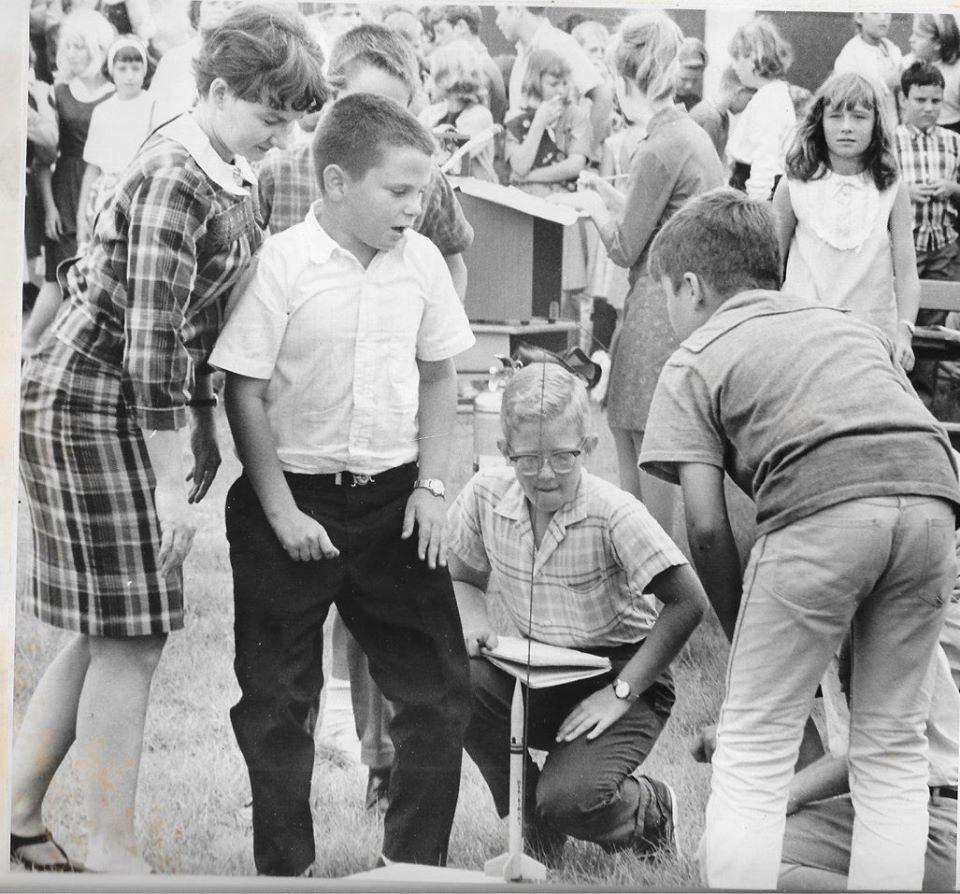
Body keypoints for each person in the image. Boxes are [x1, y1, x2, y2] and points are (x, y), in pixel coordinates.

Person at [12, 3, 325, 875]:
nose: (285, 133)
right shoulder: (174, 175)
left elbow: (197, 328)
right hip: (85, 402)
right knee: (134, 632)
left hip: (124, 404)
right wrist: (163, 482)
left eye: (295, 116)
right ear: (218, 91)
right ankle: (110, 848)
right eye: (272, 114)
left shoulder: (228, 164)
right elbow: (152, 343)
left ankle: (18, 813)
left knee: (109, 626)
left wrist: (202, 423)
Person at [637, 186, 959, 889]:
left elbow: (706, 524)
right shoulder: (845, 325)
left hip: (824, 507)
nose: (669, 311)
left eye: (665, 293)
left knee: (753, 747)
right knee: (892, 750)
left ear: (691, 287)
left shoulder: (696, 356)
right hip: (935, 496)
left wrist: (738, 626)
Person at [209, 92, 474, 877]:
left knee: (436, 695)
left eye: (422, 191)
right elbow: (243, 392)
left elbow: (439, 376)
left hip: (394, 505)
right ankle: (285, 870)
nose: (416, 207)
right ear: (334, 182)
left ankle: (413, 868)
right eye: (399, 191)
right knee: (277, 702)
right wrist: (283, 512)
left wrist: (431, 484)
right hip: (290, 506)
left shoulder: (421, 262)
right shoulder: (282, 266)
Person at [447, 362, 707, 864]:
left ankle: (649, 810)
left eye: (563, 457)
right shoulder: (484, 495)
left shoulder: (614, 511)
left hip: (621, 675)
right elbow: (461, 577)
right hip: (537, 670)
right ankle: (533, 828)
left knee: (570, 800)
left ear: (587, 447)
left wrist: (620, 692)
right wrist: (476, 625)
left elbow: (688, 601)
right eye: (529, 458)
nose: (546, 473)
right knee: (457, 676)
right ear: (505, 452)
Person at [554, 10, 722, 539]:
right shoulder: (687, 133)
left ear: (626, 81)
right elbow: (661, 215)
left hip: (656, 308)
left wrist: (592, 204)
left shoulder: (659, 145)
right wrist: (613, 197)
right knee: (651, 439)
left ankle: (649, 574)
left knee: (640, 450)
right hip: (681, 305)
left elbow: (627, 247)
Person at [257, 23, 473, 299]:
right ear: (331, 95)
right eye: (364, 105)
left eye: (394, 113)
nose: (378, 124)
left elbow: (453, 265)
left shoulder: (426, 184)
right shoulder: (278, 171)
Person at [777, 611, 960, 891]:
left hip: (929, 822)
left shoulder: (872, 618)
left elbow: (876, 749)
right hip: (914, 811)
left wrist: (782, 797)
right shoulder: (851, 615)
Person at [774, 72, 918, 367]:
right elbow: (771, 266)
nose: (847, 128)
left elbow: (906, 272)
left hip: (870, 338)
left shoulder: (891, 188)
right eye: (836, 116)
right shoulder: (794, 185)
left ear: (876, 123)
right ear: (820, 121)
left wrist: (904, 332)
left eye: (859, 117)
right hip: (803, 335)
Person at [23, 7, 115, 357]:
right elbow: (45, 159)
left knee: (95, 273)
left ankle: (69, 349)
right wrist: (48, 207)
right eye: (69, 46)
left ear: (97, 48)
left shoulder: (114, 93)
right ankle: (29, 341)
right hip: (64, 186)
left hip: (102, 187)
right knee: (58, 275)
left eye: (81, 46)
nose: (73, 53)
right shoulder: (56, 93)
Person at [496, 5, 613, 159]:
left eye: (500, 12)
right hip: (526, 164)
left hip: (556, 165)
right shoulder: (522, 53)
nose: (497, 21)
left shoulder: (559, 43)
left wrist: (583, 155)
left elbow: (603, 96)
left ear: (517, 9)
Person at [76, 34, 155, 250]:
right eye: (122, 69)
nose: (129, 76)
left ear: (145, 70)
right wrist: (81, 215)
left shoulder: (153, 105)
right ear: (112, 70)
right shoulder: (102, 111)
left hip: (141, 192)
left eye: (136, 68)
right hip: (107, 195)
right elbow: (92, 168)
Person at [895, 62, 960, 288]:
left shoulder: (954, 141)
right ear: (903, 100)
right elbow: (874, 191)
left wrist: (952, 188)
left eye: (936, 101)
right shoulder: (890, 142)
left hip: (944, 247)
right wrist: (905, 193)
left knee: (940, 313)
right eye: (920, 100)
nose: (929, 108)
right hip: (903, 247)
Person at [726, 16, 796, 200]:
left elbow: (765, 159)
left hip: (755, 189)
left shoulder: (769, 100)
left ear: (753, 58)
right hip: (749, 183)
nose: (734, 66)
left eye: (737, 57)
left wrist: (755, 208)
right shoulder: (772, 94)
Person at [421, 39, 498, 182]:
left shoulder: (479, 115)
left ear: (446, 79)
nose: (428, 81)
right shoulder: (431, 113)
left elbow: (453, 157)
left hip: (473, 197)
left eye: (432, 74)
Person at [426, 4, 506, 124]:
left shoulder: (479, 68)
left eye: (441, 32)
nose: (437, 40)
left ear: (461, 27)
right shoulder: (482, 63)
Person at [833, 12, 902, 130]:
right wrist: (885, 84)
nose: (883, 18)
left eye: (887, 12)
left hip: (894, 128)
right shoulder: (850, 55)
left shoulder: (893, 49)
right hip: (868, 130)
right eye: (875, 12)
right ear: (859, 17)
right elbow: (847, 100)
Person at [689, 64, 756, 162]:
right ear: (739, 91)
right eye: (749, 99)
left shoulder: (722, 116)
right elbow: (707, 166)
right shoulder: (710, 118)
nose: (748, 107)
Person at [909, 14, 960, 135]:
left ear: (937, 43)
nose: (911, 39)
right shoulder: (909, 63)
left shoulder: (957, 71)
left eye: (918, 35)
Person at [675, 36, 707, 111]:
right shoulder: (653, 102)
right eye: (684, 79)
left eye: (695, 80)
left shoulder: (697, 105)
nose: (689, 86)